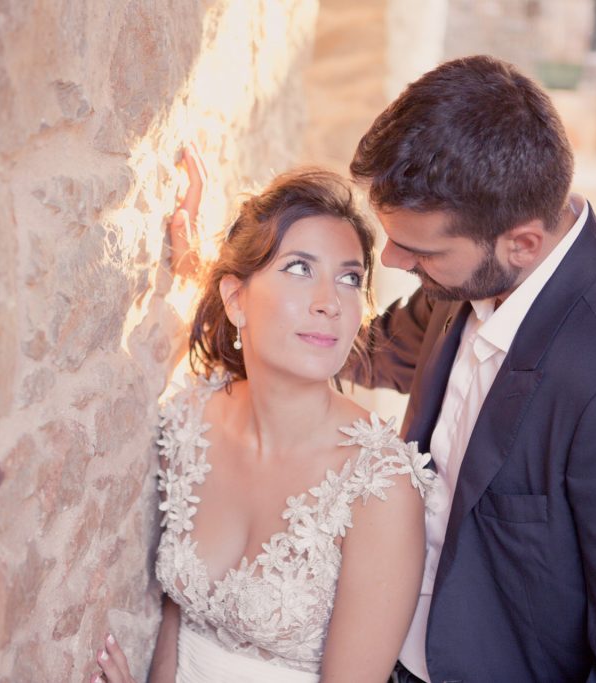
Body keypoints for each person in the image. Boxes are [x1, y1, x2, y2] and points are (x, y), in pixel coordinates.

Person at [346, 55, 596, 682]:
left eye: (421, 249)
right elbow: (367, 348)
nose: (393, 258)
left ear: (522, 241)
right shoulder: (469, 272)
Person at [92, 155, 434, 683]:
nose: (329, 303)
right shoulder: (191, 420)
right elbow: (177, 623)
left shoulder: (379, 487)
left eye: (349, 279)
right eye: (300, 268)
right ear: (235, 299)